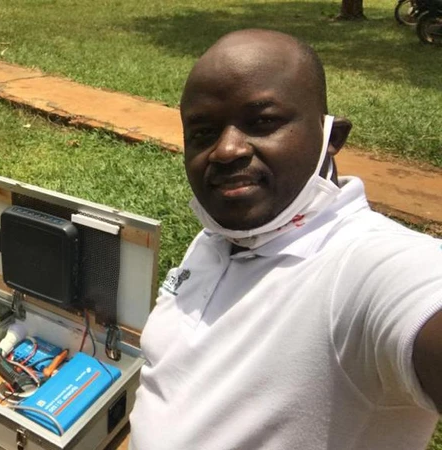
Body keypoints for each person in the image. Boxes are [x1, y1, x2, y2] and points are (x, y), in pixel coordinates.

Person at [130, 29, 442, 449]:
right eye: (203, 133)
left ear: (331, 138)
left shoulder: (367, 267)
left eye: (263, 122)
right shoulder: (218, 237)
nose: (226, 150)